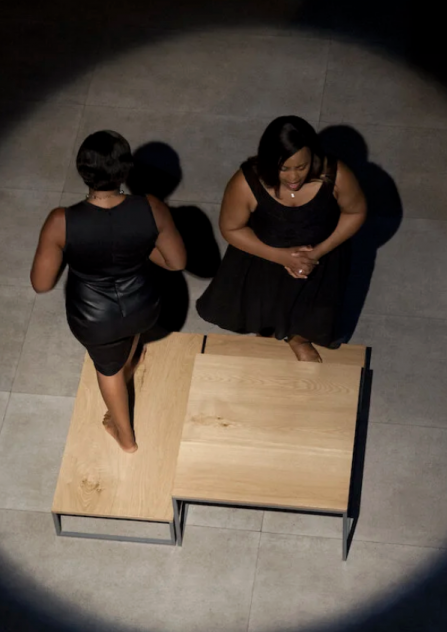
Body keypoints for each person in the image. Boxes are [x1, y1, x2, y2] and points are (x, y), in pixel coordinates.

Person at [29, 131, 187, 453]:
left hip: (95, 319)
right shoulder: (152, 207)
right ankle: (128, 363)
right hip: (144, 307)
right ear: (125, 171)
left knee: (108, 371)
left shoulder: (62, 220)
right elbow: (176, 262)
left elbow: (41, 283)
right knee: (127, 338)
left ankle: (125, 437)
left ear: (82, 170)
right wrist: (140, 251)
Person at [196, 116, 367, 362]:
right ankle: (269, 334)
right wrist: (282, 257)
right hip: (264, 255)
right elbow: (231, 229)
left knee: (313, 305)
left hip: (321, 255)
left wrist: (315, 254)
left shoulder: (336, 174)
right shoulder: (246, 182)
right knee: (264, 303)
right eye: (283, 168)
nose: (293, 177)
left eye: (301, 167)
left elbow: (356, 211)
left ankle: (298, 337)